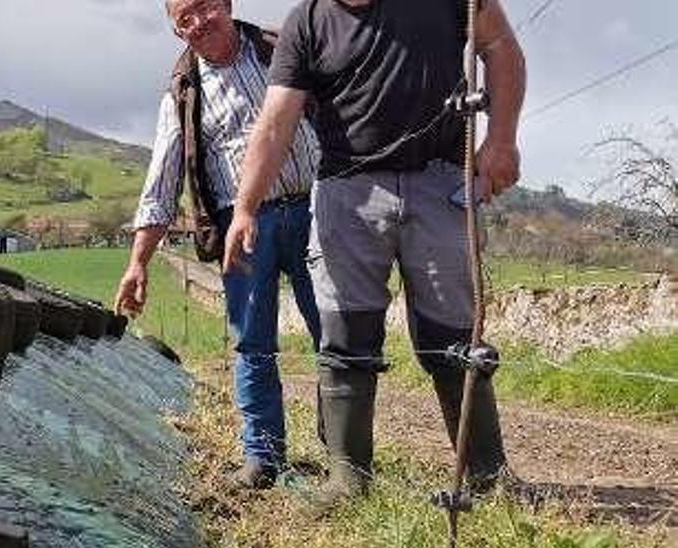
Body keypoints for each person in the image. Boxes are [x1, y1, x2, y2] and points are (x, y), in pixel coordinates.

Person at [226, 0, 527, 508]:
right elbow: (276, 123)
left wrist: (501, 139)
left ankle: (488, 481)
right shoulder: (307, 24)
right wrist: (245, 207)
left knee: (452, 338)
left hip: (440, 183)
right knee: (345, 338)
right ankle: (348, 484)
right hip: (347, 193)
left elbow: (501, 48)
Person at [115, 0, 322, 489]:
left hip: (318, 207)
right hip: (243, 225)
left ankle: (344, 456)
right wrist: (138, 263)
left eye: (205, 7)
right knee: (252, 342)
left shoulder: (282, 50)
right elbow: (161, 181)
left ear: (227, 4)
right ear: (175, 30)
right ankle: (262, 458)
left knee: (333, 335)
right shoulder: (184, 93)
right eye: (183, 18)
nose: (197, 23)